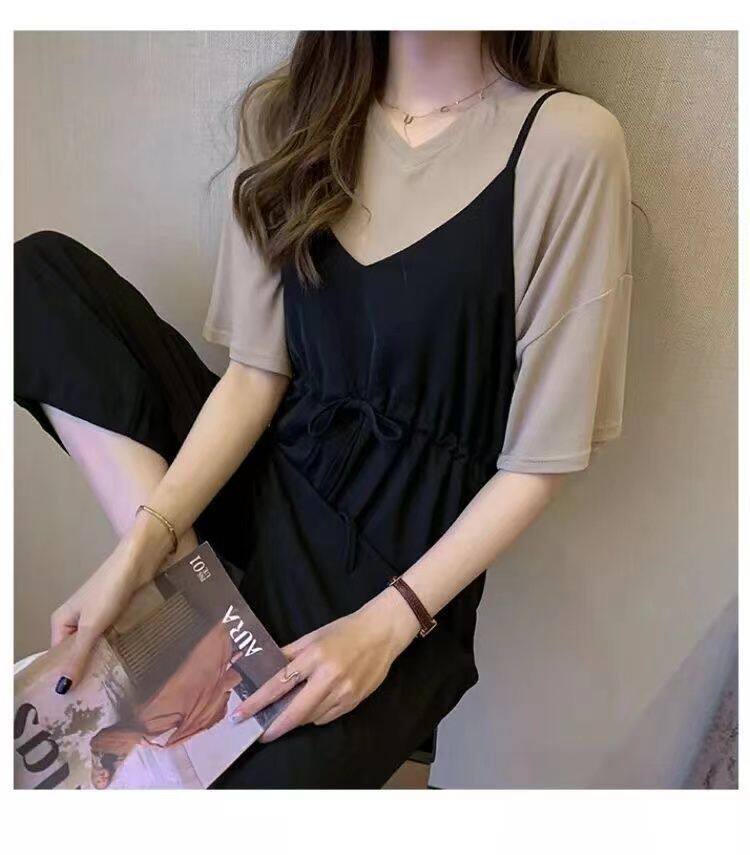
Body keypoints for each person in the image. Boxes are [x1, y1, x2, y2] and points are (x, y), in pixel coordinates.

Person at [14, 31, 633, 788]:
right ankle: (194, 596)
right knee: (35, 282)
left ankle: (207, 617)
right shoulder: (291, 116)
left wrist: (386, 625)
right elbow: (254, 377)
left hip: (391, 574)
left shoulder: (567, 144)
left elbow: (538, 462)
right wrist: (136, 554)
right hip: (264, 488)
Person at [88, 622, 242, 788]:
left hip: (149, 716)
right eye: (104, 783)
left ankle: (223, 649)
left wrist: (143, 741)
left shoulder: (97, 745)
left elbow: (125, 734)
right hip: (157, 729)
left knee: (187, 683)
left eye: (97, 780)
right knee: (195, 712)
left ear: (93, 775)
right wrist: (150, 744)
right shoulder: (115, 763)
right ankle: (228, 667)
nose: (102, 779)